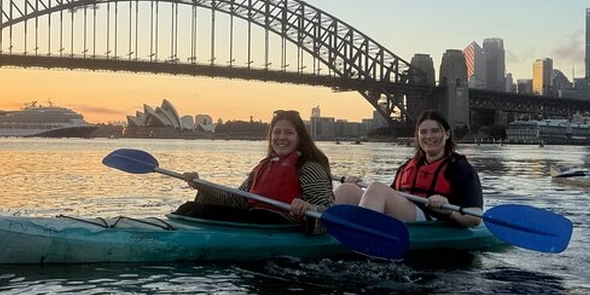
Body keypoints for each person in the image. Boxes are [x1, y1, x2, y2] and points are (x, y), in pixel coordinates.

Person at [172, 109, 334, 231]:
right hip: (255, 218)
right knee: (190, 208)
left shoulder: (309, 167)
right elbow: (238, 200)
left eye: (288, 133)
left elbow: (328, 210)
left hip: (281, 225)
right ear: (271, 137)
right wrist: (201, 186)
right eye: (276, 133)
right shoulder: (262, 167)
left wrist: (308, 208)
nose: (281, 138)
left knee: (204, 212)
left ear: (299, 138)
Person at [334, 110, 483, 227]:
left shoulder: (461, 169)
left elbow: (475, 218)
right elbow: (390, 195)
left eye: (435, 131)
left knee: (376, 188)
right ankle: (325, 229)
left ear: (447, 134)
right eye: (423, 132)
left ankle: (361, 236)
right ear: (417, 136)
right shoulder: (406, 167)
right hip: (406, 214)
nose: (429, 136)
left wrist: (449, 212)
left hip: (433, 219)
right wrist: (358, 185)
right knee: (346, 188)